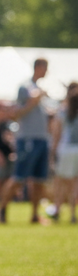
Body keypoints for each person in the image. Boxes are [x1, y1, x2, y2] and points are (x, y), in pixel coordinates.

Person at [0, 58, 51, 225]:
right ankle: (2, 210)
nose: (47, 71)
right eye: (45, 68)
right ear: (39, 67)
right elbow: (16, 113)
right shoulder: (25, 86)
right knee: (18, 177)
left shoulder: (40, 88)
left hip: (42, 139)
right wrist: (33, 101)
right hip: (27, 139)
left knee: (39, 180)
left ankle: (35, 214)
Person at [51, 83, 78, 224]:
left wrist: (52, 154)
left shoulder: (63, 111)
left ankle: (57, 210)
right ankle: (73, 214)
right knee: (74, 184)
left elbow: (57, 135)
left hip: (66, 150)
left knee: (60, 183)